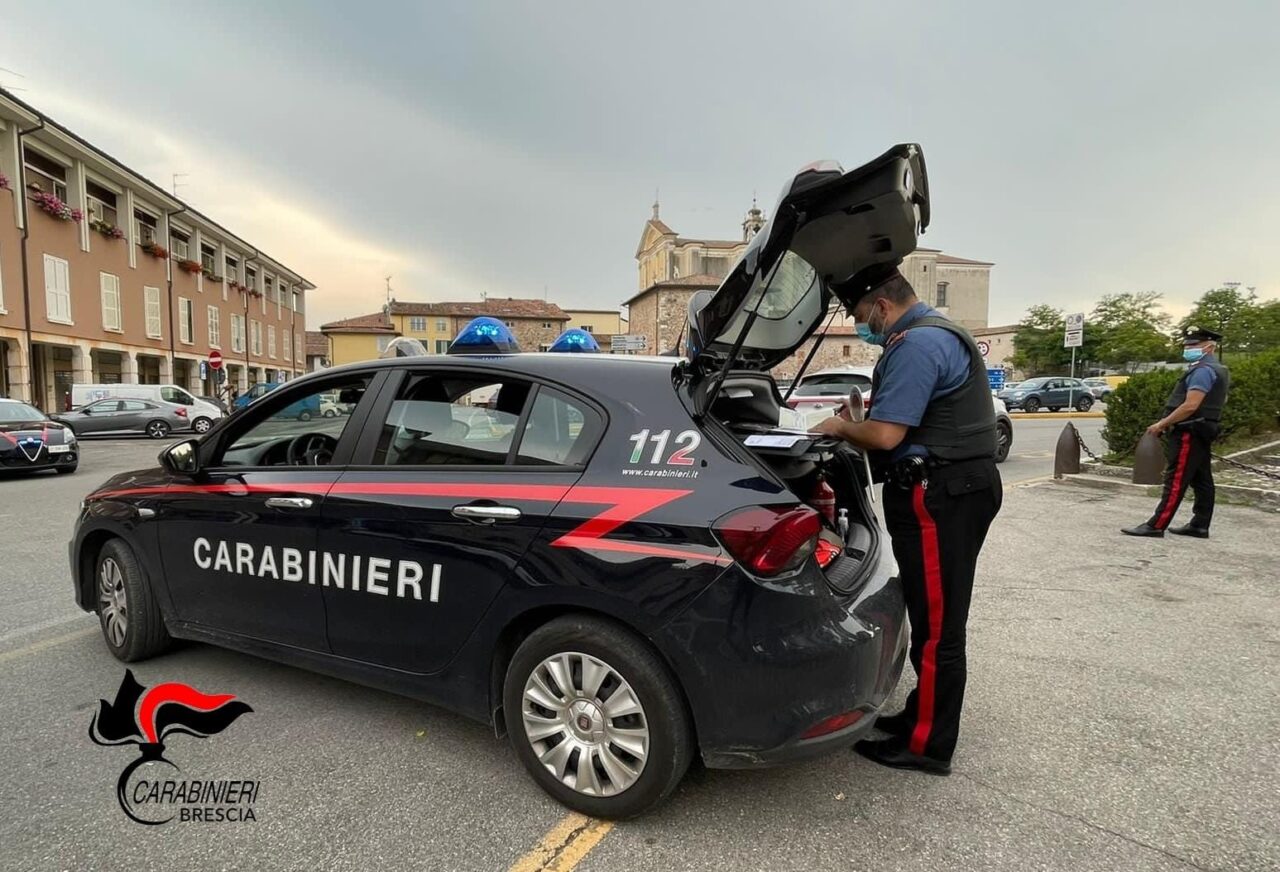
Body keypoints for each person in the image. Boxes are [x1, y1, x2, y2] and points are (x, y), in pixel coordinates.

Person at [812, 265, 1002, 775]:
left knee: (940, 627)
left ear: (881, 307)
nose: (861, 328)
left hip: (942, 496)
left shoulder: (916, 344)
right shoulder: (937, 332)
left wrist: (841, 426)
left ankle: (927, 745)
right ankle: (921, 715)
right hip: (956, 490)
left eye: (859, 317)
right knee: (931, 614)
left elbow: (888, 436)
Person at [1121, 326, 1230, 538]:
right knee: (1201, 479)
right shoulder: (1219, 369)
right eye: (1187, 344)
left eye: (1193, 345)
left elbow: (1190, 405)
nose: (1188, 348)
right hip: (1204, 427)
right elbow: (1220, 400)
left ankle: (1156, 525)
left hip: (1189, 429)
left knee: (1176, 478)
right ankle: (1200, 524)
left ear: (1208, 347)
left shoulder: (1202, 370)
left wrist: (1162, 424)